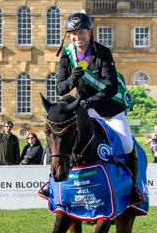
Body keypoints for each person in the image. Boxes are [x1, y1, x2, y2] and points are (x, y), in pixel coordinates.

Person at [43, 12, 143, 203]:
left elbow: (112, 86)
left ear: (89, 32)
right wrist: (72, 78)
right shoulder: (67, 53)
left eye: (81, 33)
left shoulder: (103, 52)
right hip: (81, 108)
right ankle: (52, 182)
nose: (77, 37)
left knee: (128, 143)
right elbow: (60, 88)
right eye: (73, 34)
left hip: (108, 109)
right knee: (60, 136)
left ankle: (133, 186)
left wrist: (92, 101)